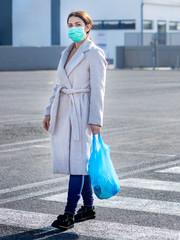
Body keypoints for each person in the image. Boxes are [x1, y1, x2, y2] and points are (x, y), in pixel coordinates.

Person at [42, 10, 107, 231]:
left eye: (77, 24)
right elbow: (58, 84)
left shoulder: (94, 53)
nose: (73, 28)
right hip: (64, 109)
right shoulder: (66, 52)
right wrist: (49, 110)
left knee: (77, 163)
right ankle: (88, 207)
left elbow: (98, 89)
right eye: (69, 25)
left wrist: (95, 120)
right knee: (81, 162)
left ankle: (69, 213)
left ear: (88, 27)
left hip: (83, 111)